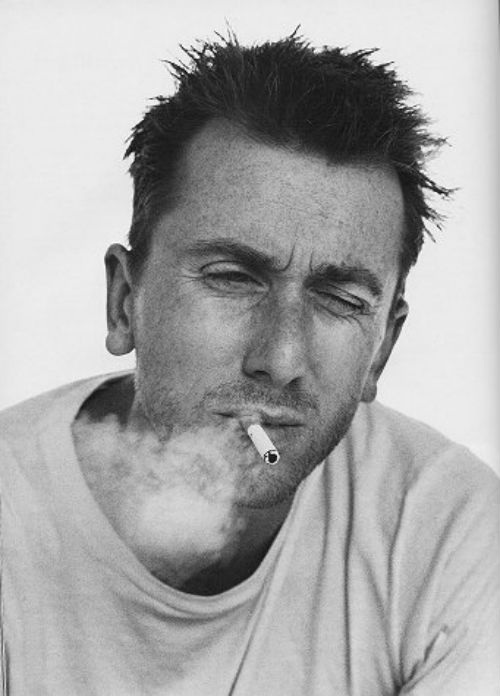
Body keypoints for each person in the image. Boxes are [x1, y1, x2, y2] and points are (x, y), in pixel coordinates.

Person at [0, 32, 498, 696]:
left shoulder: (451, 530)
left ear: (382, 347)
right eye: (232, 278)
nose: (281, 359)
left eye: (340, 299)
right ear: (124, 302)